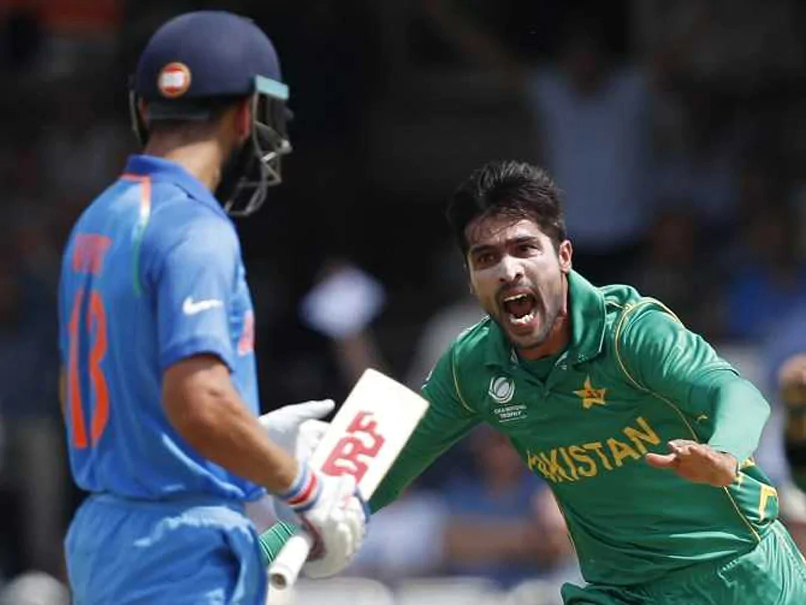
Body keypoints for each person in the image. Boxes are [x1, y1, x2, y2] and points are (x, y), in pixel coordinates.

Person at [260, 160, 806, 604]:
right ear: (472, 279)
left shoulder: (631, 331)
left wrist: (723, 454)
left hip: (741, 575)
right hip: (624, 592)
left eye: (525, 248)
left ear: (563, 256)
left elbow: (737, 393)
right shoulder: (472, 367)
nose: (509, 270)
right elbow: (383, 466)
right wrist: (280, 539)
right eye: (486, 257)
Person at [57, 11, 367, 604]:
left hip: (107, 537)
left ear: (145, 110)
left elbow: (115, 393)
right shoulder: (196, 226)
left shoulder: (98, 218)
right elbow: (197, 403)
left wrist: (243, 439)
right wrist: (305, 488)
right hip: (179, 550)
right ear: (250, 114)